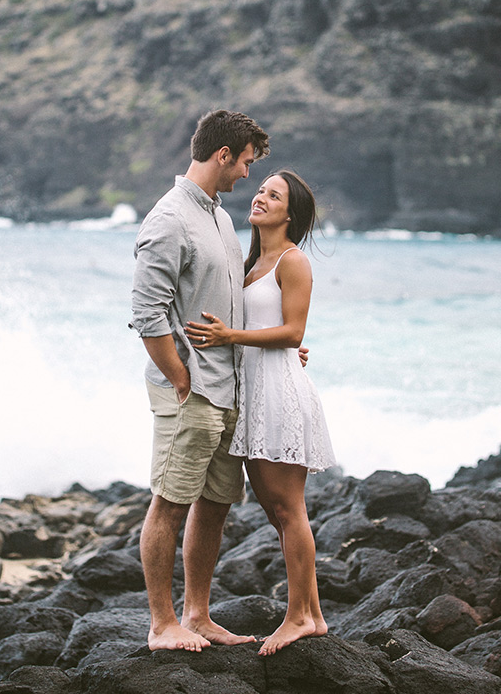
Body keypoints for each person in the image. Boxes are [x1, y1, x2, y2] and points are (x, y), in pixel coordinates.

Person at [130, 109, 271, 653]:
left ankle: (198, 615)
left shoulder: (218, 217)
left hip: (227, 387)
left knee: (213, 504)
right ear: (223, 155)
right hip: (191, 391)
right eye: (246, 164)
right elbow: (147, 314)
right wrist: (180, 378)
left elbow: (229, 300)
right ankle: (162, 624)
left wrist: (283, 342)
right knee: (170, 503)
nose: (247, 177)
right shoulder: (168, 219)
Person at [185, 169, 336, 655]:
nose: (261, 197)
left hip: (278, 395)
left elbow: (293, 332)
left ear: (289, 213)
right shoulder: (252, 258)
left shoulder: (293, 261)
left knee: (288, 509)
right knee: (278, 511)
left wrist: (231, 336)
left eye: (274, 195)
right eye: (261, 190)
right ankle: (312, 615)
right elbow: (275, 328)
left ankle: (298, 619)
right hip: (254, 392)